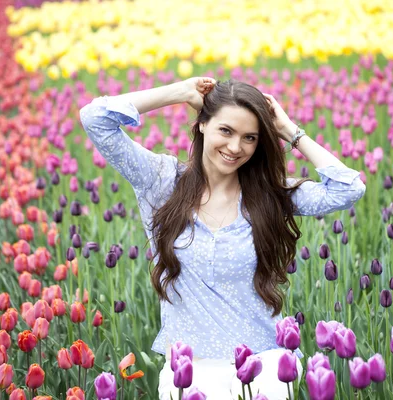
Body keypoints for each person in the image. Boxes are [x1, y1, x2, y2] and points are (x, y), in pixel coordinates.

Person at [79, 77, 366, 399]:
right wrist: (180, 92)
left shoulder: (269, 195)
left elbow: (348, 189)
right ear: (202, 124)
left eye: (250, 138)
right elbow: (95, 118)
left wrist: (289, 130)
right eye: (226, 131)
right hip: (190, 371)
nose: (234, 147)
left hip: (265, 368)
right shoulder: (161, 182)